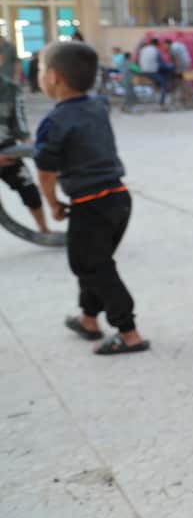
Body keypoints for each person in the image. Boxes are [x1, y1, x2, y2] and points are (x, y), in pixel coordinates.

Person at [33, 41, 149, 355]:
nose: (39, 76)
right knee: (95, 261)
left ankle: (128, 332)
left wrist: (54, 203)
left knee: (90, 265)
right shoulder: (98, 106)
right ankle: (87, 319)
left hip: (89, 204)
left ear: (54, 77)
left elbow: (45, 171)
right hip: (118, 199)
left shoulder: (53, 122)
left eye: (42, 70)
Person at [0, 52, 50, 235]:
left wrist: (30, 145)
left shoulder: (11, 89)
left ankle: (43, 230)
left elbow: (20, 123)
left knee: (29, 190)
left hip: (8, 150)